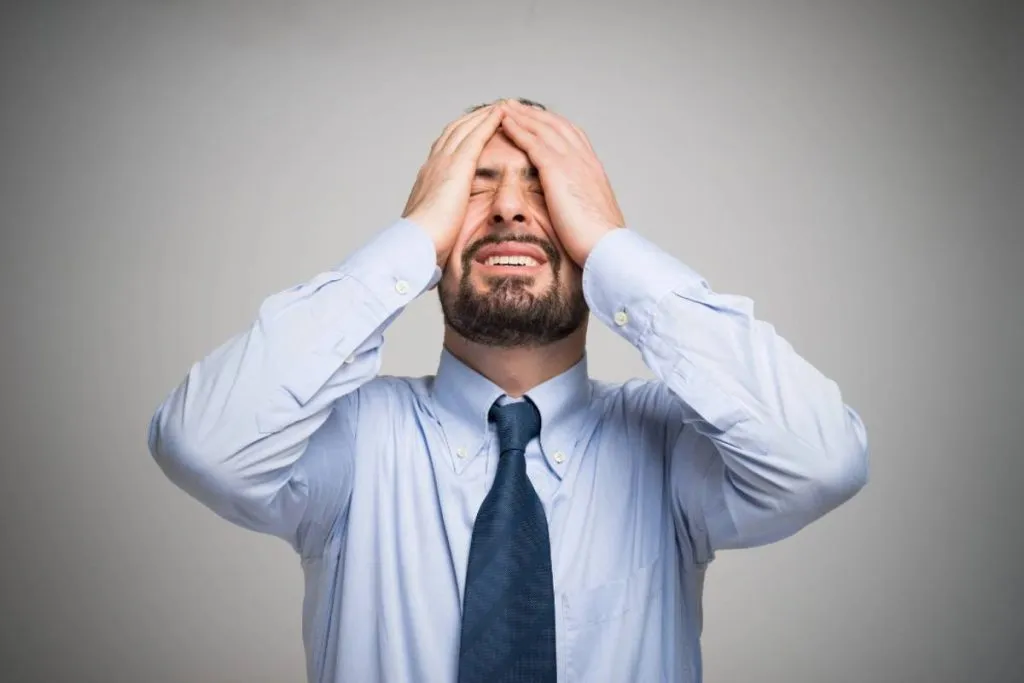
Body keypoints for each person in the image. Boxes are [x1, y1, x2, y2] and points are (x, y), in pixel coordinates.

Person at [147, 97, 869, 683]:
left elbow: (821, 459)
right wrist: (411, 240)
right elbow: (206, 444)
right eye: (478, 185)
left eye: (545, 189)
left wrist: (614, 246)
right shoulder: (352, 441)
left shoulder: (670, 447)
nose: (510, 210)